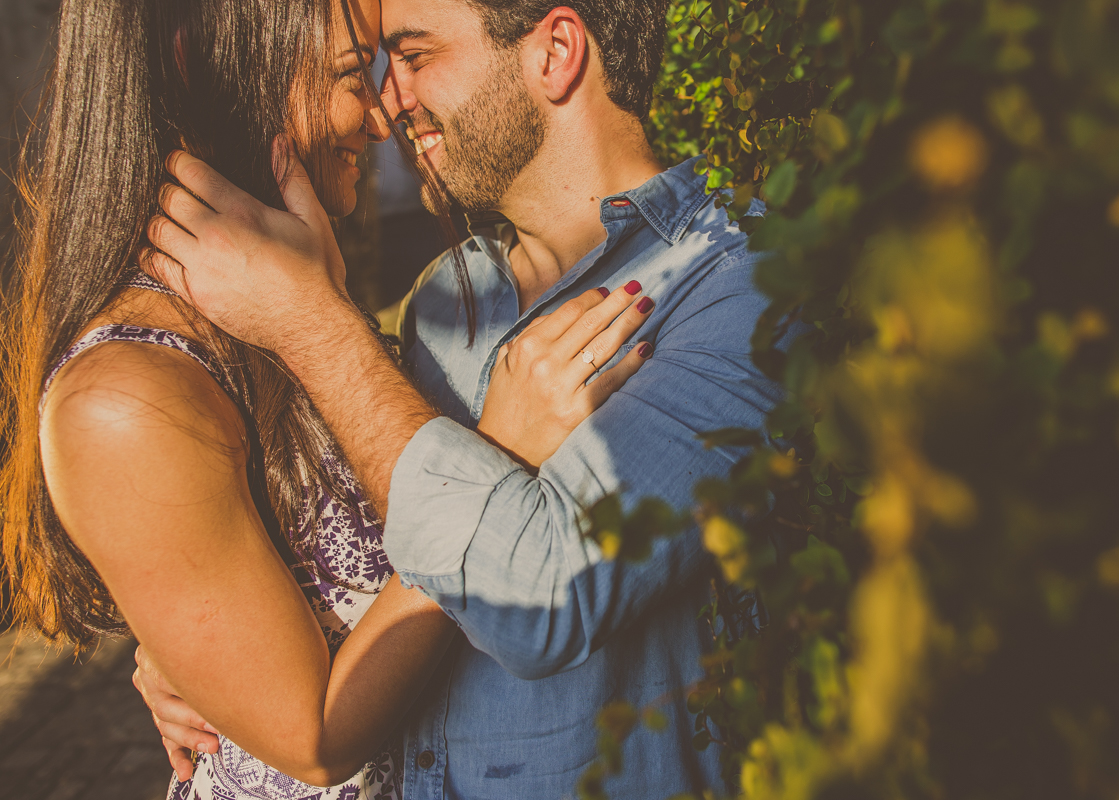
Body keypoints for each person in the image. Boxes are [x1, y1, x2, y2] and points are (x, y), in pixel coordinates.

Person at [138, 0, 799, 797]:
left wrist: (313, 322)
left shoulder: (741, 286)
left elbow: (540, 601)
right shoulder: (452, 296)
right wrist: (211, 650)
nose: (388, 101)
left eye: (414, 57)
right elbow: (388, 562)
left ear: (556, 51)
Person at [0, 1, 650, 799]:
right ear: (204, 65)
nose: (383, 118)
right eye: (354, 74)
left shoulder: (274, 302)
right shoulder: (124, 398)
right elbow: (312, 736)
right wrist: (498, 459)